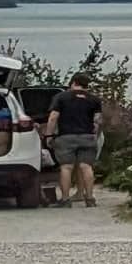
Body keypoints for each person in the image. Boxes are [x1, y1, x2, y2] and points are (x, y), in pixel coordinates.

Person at [45, 77, 102, 205]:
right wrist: (94, 136)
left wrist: (48, 135)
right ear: (87, 85)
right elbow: (97, 121)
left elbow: (53, 117)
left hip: (66, 137)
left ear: (73, 83)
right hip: (87, 137)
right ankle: (90, 199)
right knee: (86, 166)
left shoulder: (61, 97)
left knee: (66, 167)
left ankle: (65, 200)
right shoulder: (94, 99)